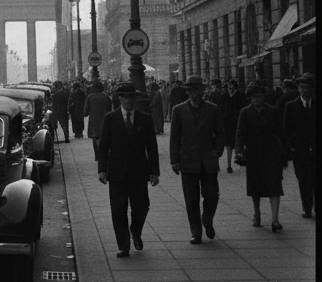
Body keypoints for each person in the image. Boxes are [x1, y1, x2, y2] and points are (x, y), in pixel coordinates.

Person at [97, 83, 160, 257]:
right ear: (120, 99)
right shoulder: (110, 119)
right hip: (117, 172)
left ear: (135, 99)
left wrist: (155, 172)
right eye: (125, 98)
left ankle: (136, 231)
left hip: (139, 172)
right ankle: (123, 245)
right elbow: (103, 147)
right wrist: (102, 169)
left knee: (141, 207)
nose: (129, 101)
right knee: (118, 209)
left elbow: (152, 147)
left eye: (131, 98)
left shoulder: (145, 119)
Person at [169, 74, 225, 244]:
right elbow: (175, 137)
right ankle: (196, 231)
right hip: (188, 160)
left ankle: (207, 220)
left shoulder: (213, 109)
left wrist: (217, 150)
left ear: (203, 91)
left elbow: (220, 132)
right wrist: (174, 160)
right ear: (187, 92)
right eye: (192, 91)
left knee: (212, 195)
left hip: (208, 159)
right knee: (191, 198)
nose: (195, 94)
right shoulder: (178, 110)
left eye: (198, 90)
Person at [235, 83, 290, 231]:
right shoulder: (244, 113)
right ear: (250, 99)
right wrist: (239, 151)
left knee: (274, 184)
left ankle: (275, 219)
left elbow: (281, 132)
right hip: (254, 153)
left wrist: (286, 152)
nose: (257, 99)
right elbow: (240, 134)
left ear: (264, 97)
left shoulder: (273, 111)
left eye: (259, 96)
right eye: (254, 97)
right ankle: (257, 213)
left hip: (272, 152)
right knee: (255, 185)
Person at [283, 74, 315, 218]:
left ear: (311, 89)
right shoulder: (290, 106)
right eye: (302, 88)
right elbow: (286, 129)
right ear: (298, 89)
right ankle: (307, 207)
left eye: (307, 88)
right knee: (303, 179)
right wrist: (290, 146)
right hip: (299, 149)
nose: (304, 91)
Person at [220, 79, 245, 173]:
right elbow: (221, 108)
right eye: (229, 86)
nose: (230, 88)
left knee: (238, 142)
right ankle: (229, 165)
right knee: (229, 144)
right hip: (227, 123)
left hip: (238, 122)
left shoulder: (240, 96)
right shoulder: (224, 96)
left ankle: (239, 159)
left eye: (232, 86)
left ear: (235, 87)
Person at [84, 81, 113, 161]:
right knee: (104, 138)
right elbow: (110, 110)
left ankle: (97, 155)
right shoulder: (106, 97)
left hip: (93, 121)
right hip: (105, 120)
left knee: (95, 138)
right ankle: (104, 154)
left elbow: (85, 112)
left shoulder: (90, 97)